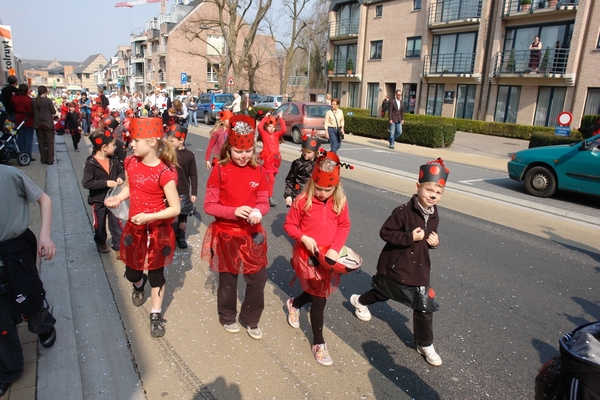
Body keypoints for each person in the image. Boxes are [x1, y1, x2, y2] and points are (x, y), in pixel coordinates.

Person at [349, 158, 450, 367]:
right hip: (396, 265)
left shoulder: (434, 214)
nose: (433, 195)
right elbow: (385, 232)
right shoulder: (403, 211)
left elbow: (430, 237)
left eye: (438, 192)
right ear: (418, 187)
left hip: (419, 268)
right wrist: (408, 237)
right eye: (429, 189)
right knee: (382, 293)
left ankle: (425, 344)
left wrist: (435, 243)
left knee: (424, 306)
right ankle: (359, 301)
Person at [104, 117, 180, 338]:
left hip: (158, 232)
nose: (131, 144)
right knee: (131, 271)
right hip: (135, 229)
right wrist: (118, 199)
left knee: (156, 274)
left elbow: (175, 208)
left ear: (153, 142)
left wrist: (149, 216)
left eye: (136, 140)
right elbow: (130, 187)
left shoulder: (165, 173)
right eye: (131, 140)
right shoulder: (129, 162)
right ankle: (139, 284)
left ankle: (155, 313)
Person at [201, 114, 270, 340]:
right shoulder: (219, 170)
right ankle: (227, 315)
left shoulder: (259, 171)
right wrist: (233, 211)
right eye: (238, 151)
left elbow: (263, 200)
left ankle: (251, 319)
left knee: (257, 279)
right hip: (227, 234)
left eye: (248, 151)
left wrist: (259, 211)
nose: (243, 156)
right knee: (228, 279)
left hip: (251, 234)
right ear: (229, 148)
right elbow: (209, 205)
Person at [283, 151, 351, 366]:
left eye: (327, 189)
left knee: (315, 293)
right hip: (307, 255)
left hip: (328, 256)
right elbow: (289, 225)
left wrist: (335, 248)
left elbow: (343, 225)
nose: (322, 193)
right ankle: (319, 343)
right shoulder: (302, 201)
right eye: (319, 188)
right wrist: (303, 237)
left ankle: (294, 303)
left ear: (336, 186)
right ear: (313, 183)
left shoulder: (339, 202)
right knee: (320, 298)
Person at [0, 164, 57, 396]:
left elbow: (44, 199)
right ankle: (9, 369)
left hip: (16, 250)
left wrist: (44, 234)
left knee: (29, 295)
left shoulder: (10, 174)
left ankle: (42, 325)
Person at [82, 130, 125, 258]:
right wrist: (106, 183)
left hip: (113, 199)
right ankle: (101, 242)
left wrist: (120, 178)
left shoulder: (114, 160)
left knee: (116, 224)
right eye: (113, 145)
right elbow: (87, 183)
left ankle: (118, 246)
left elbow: (121, 171)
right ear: (104, 147)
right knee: (99, 225)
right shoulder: (91, 164)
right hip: (98, 200)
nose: (116, 147)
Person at [166, 125, 198, 249]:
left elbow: (193, 175)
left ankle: (181, 237)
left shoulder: (189, 155)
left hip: (183, 190)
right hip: (169, 190)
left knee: (183, 217)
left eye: (172, 141)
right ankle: (171, 237)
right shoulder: (167, 154)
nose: (169, 143)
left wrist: (194, 192)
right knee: (171, 217)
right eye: (168, 140)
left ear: (181, 140)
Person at [257, 112, 287, 206]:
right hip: (267, 159)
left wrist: (281, 119)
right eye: (270, 127)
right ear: (267, 127)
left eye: (273, 127)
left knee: (272, 179)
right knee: (271, 179)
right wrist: (266, 117)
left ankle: (266, 194)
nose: (271, 129)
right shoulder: (264, 134)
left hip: (276, 159)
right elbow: (259, 127)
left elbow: (284, 129)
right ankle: (269, 196)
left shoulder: (276, 135)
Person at [283, 135, 321, 207]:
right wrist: (288, 195)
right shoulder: (298, 163)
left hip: (313, 195)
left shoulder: (319, 163)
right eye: (303, 151)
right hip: (298, 194)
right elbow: (290, 180)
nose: (305, 154)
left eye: (309, 152)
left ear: (315, 152)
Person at [33, 86, 57, 165]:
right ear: (45, 92)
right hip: (48, 124)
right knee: (50, 143)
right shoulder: (48, 100)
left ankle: (43, 159)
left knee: (41, 142)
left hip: (38, 124)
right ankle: (50, 160)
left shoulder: (33, 101)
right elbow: (53, 111)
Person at [12, 83, 36, 160]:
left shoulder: (14, 98)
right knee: (28, 138)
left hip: (18, 119)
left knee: (20, 137)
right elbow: (31, 111)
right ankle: (28, 154)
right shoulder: (28, 100)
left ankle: (20, 153)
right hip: (27, 119)